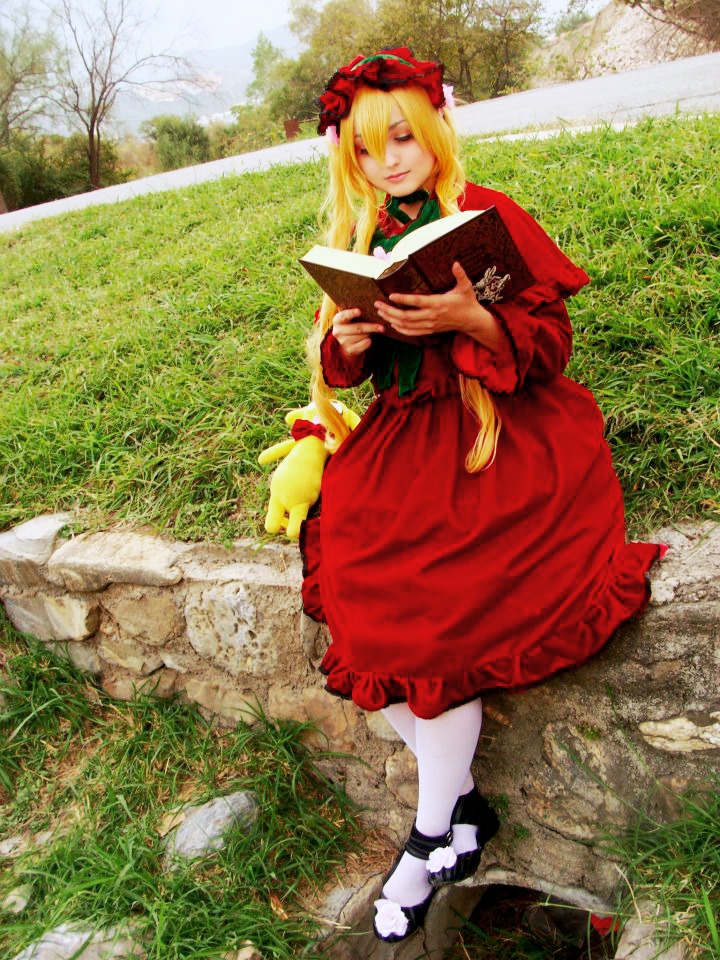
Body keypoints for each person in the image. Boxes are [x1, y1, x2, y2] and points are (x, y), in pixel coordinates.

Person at [299, 47, 662, 944]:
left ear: (434, 129)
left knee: (438, 612)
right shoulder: (362, 236)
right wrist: (346, 341)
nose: (391, 160)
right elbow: (344, 372)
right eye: (370, 147)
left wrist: (471, 319)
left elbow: (552, 339)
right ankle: (459, 806)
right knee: (354, 594)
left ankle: (428, 839)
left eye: (404, 138)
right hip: (403, 438)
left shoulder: (487, 215)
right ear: (352, 158)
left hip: (500, 432)